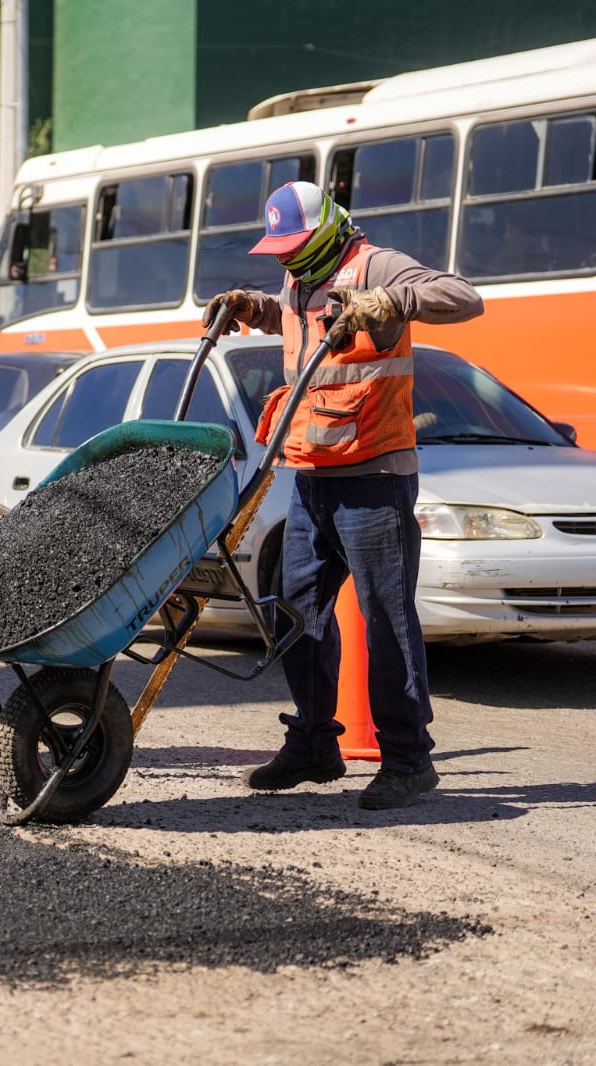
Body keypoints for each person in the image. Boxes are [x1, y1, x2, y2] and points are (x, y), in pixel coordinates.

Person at [203, 180, 483, 810]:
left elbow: (464, 298)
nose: (285, 260)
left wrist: (391, 299)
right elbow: (305, 324)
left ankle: (409, 760)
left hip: (373, 477)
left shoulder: (375, 265)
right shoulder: (300, 277)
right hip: (311, 476)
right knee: (296, 613)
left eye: (294, 246)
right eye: (278, 251)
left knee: (386, 620)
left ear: (328, 228)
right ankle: (314, 743)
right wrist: (255, 308)